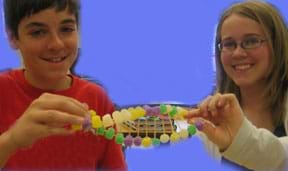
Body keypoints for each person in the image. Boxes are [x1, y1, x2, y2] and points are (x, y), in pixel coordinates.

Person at [0, 0, 127, 170]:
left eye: (66, 29)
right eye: (38, 32)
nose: (56, 44)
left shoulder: (98, 99)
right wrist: (12, 140)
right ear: (12, 38)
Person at [186, 1, 288, 171]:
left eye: (251, 41)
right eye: (229, 44)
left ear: (277, 45)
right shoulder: (210, 112)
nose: (238, 53)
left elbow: (280, 156)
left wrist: (238, 140)